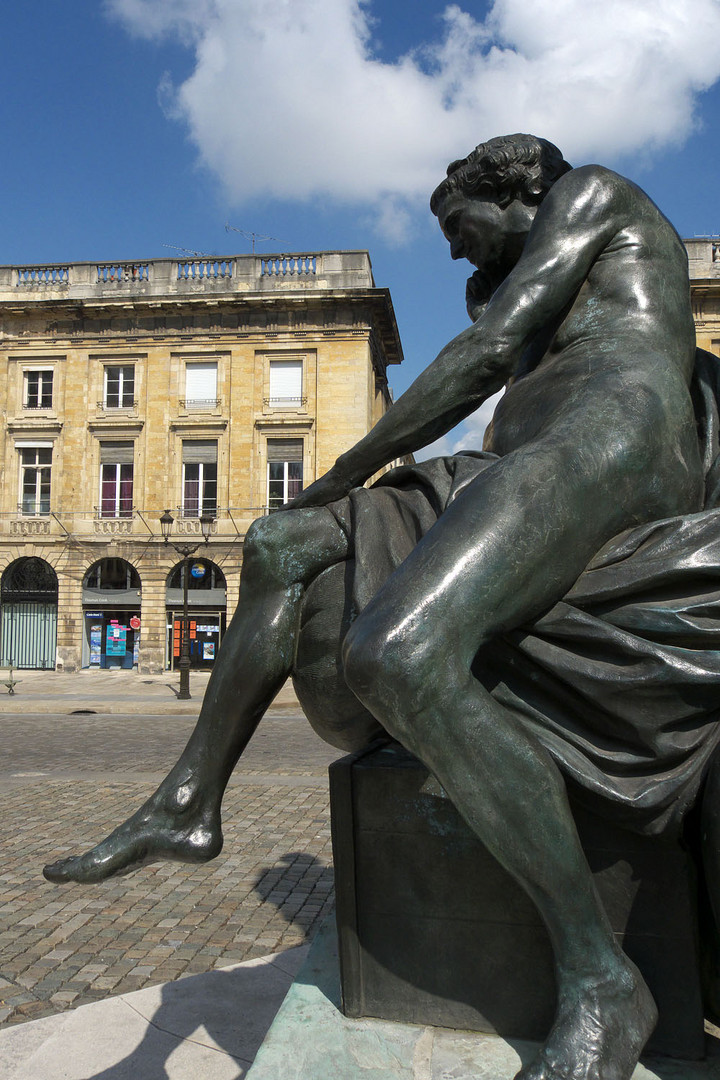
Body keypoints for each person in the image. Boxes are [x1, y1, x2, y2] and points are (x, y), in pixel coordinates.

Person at [44, 134, 710, 1080]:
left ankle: (600, 973)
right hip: (510, 464)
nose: (448, 249)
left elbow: (481, 356)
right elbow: (497, 346)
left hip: (614, 438)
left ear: (517, 188)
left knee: (395, 655)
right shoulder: (524, 280)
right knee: (276, 544)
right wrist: (323, 501)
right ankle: (188, 801)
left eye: (456, 225)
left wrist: (342, 475)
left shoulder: (594, 193)